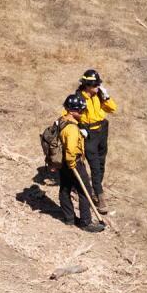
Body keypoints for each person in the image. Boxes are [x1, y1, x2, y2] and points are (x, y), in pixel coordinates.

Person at [55, 92, 104, 232]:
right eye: (80, 110)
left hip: (63, 162)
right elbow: (71, 149)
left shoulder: (62, 120)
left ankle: (69, 218)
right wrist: (72, 164)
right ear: (72, 111)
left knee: (65, 189)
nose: (82, 112)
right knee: (85, 191)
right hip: (73, 162)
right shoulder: (71, 128)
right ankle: (86, 223)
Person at [75, 69, 116, 208]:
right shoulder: (79, 98)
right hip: (89, 134)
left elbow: (112, 109)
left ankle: (96, 189)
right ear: (87, 85)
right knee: (95, 166)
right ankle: (99, 196)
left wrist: (107, 97)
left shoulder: (99, 95)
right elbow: (68, 114)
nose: (98, 86)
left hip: (102, 130)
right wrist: (78, 127)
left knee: (101, 162)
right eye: (96, 85)